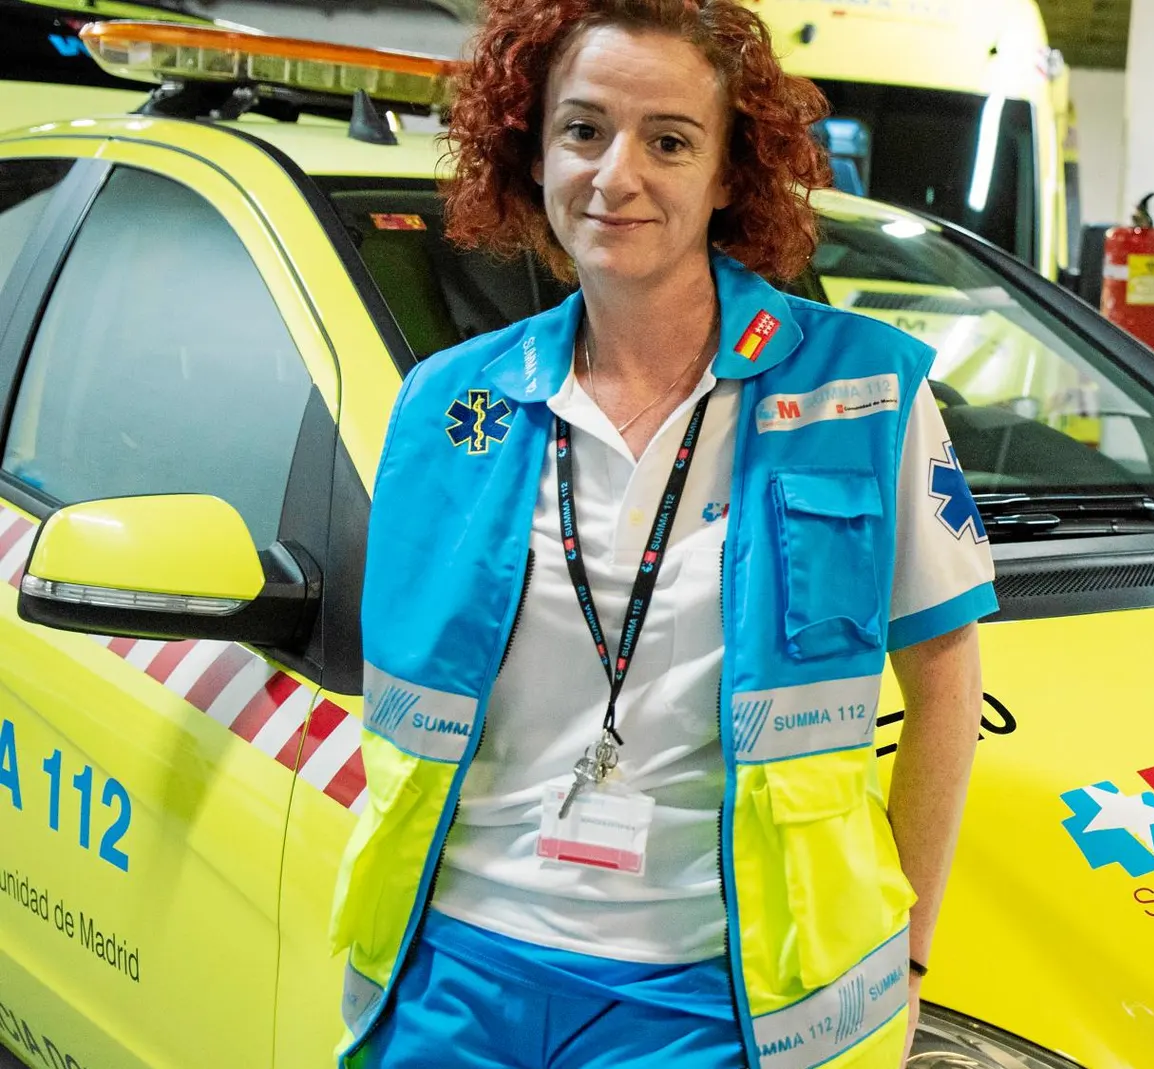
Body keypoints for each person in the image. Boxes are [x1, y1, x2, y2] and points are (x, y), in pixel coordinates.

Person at [325, 2, 996, 1066]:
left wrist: (911, 955)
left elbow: (946, 673)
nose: (616, 173)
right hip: (455, 974)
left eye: (669, 140)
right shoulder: (449, 405)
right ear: (533, 149)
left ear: (730, 172)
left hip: (716, 999)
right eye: (583, 130)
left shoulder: (863, 391)